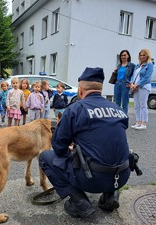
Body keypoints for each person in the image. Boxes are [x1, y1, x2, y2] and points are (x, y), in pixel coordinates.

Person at [39, 67, 131, 218]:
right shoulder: (118, 108)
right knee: (109, 152)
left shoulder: (76, 108)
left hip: (92, 180)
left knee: (45, 157)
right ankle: (111, 195)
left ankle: (79, 201)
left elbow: (58, 147)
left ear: (80, 90)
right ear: (100, 89)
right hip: (122, 177)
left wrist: (71, 149)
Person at [130, 49, 154, 130]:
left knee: (143, 105)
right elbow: (133, 76)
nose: (142, 56)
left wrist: (137, 85)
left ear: (147, 56)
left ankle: (144, 123)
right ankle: (138, 122)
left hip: (143, 87)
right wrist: (132, 84)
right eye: (140, 55)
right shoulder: (138, 65)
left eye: (144, 55)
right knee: (136, 105)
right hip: (135, 87)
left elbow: (147, 77)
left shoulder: (149, 64)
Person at [114, 50, 135, 115]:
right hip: (117, 84)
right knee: (117, 102)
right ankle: (117, 117)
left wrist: (131, 83)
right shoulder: (119, 66)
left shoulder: (131, 65)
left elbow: (134, 75)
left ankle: (124, 118)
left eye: (125, 55)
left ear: (128, 56)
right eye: (122, 55)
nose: (123, 56)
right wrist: (115, 72)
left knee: (124, 103)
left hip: (125, 84)